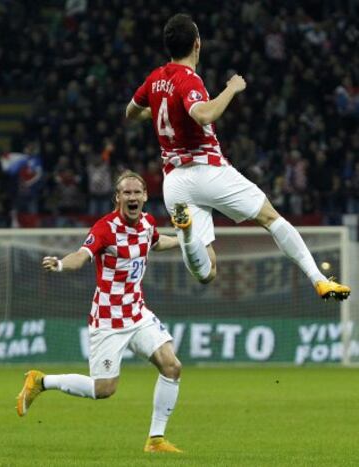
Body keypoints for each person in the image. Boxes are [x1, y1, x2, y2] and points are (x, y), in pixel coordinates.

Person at [126, 13, 350, 301]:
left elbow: (130, 112)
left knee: (207, 272)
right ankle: (319, 279)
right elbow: (204, 113)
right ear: (198, 43)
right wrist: (232, 88)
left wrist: (155, 111)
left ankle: (188, 234)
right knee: (271, 217)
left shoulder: (154, 78)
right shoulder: (189, 81)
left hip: (175, 183)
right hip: (207, 170)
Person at [16, 170, 183, 453]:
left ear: (145, 196)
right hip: (108, 318)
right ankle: (40, 381)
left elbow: (155, 241)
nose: (132, 197)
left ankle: (156, 440)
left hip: (137, 312)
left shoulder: (147, 222)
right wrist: (59, 264)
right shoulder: (105, 228)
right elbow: (81, 256)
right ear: (117, 198)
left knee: (172, 366)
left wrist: (182, 240)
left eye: (136, 192)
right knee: (104, 389)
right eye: (126, 193)